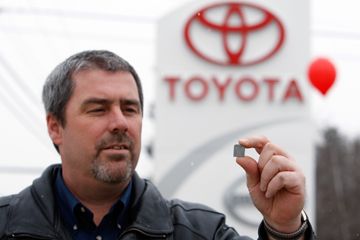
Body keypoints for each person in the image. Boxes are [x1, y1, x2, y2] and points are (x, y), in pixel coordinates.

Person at [0, 50, 315, 240]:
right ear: (55, 127)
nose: (120, 122)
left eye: (130, 108)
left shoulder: (201, 232)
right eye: (98, 108)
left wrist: (285, 229)